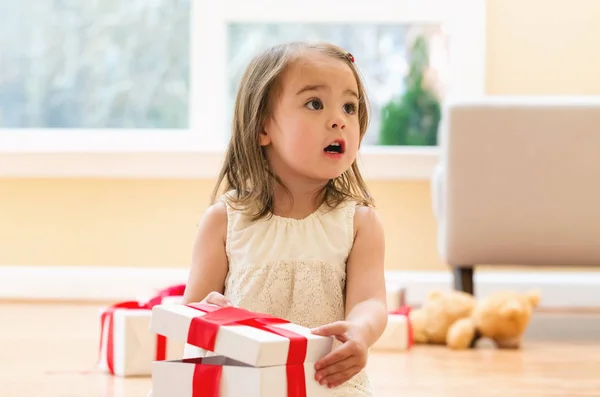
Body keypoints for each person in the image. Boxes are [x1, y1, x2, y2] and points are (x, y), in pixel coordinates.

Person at [183, 41, 388, 396]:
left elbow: (370, 301)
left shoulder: (359, 223)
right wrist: (205, 311)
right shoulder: (225, 221)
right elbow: (190, 313)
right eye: (315, 103)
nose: (340, 118)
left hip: (325, 383)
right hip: (244, 385)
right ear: (263, 127)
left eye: (350, 106)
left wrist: (360, 330)